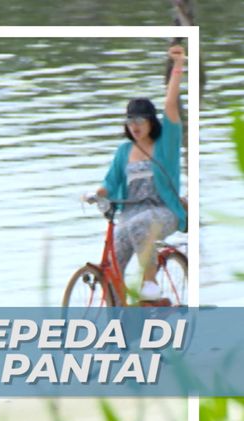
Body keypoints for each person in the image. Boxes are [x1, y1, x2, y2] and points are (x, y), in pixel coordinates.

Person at [90, 45, 188, 301]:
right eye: (130, 121)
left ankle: (150, 282)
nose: (134, 126)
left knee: (138, 225)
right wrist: (96, 195)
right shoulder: (124, 151)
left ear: (151, 122)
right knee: (113, 264)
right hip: (131, 215)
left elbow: (170, 105)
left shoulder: (165, 143)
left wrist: (178, 66)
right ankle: (120, 323)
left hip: (163, 211)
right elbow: (110, 183)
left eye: (140, 121)